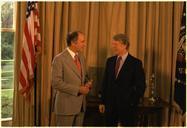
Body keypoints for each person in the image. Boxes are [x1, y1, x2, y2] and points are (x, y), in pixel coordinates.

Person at [99, 33, 146, 126]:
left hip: (127, 107)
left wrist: (133, 102)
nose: (113, 47)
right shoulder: (110, 61)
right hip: (110, 106)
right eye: (113, 44)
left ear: (125, 45)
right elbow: (105, 83)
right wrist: (102, 102)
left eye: (116, 44)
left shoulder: (136, 63)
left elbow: (141, 86)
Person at [51, 31, 92, 126]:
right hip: (66, 107)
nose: (84, 44)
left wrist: (87, 83)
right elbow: (56, 83)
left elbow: (84, 76)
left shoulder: (81, 57)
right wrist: (79, 89)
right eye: (82, 42)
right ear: (73, 43)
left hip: (81, 106)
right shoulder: (59, 59)